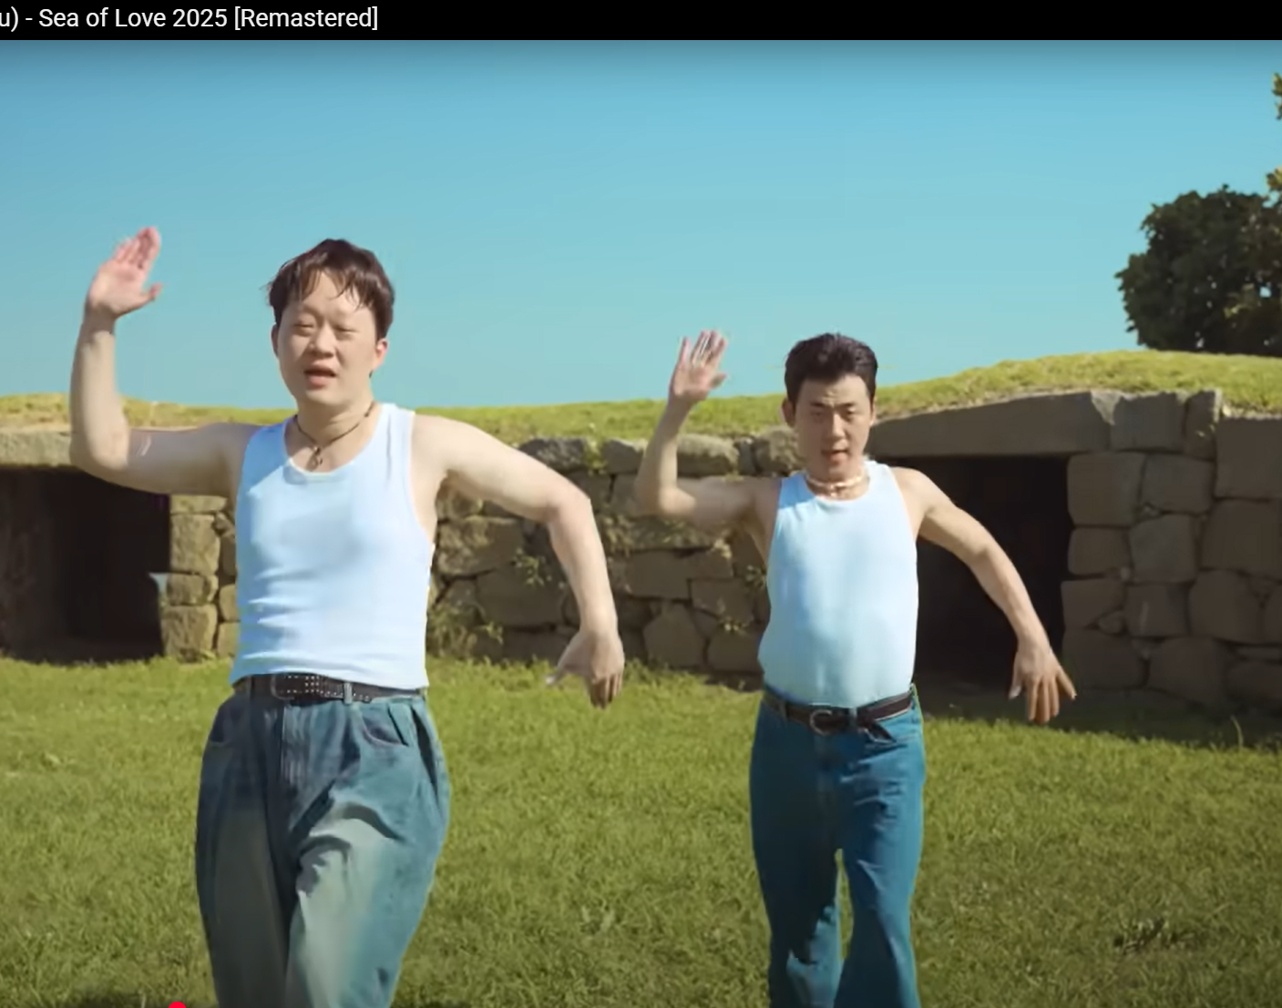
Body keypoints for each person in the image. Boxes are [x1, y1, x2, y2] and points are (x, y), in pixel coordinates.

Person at [66, 226, 625, 1008]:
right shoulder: (243, 452)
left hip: (374, 743)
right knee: (255, 991)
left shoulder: (420, 444)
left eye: (342, 327)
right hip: (249, 740)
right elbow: (103, 448)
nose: (320, 343)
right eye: (302, 324)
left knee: (327, 984)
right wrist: (99, 323)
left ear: (379, 349)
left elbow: (562, 501)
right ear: (275, 342)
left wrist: (600, 623)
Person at [633, 330, 1076, 1008]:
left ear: (873, 412)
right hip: (786, 746)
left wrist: (1033, 636)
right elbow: (659, 498)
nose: (834, 430)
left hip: (883, 748)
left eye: (848, 411)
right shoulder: (768, 501)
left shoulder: (907, 492)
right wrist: (677, 410)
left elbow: (983, 548)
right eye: (817, 412)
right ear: (790, 415)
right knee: (799, 934)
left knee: (883, 923)